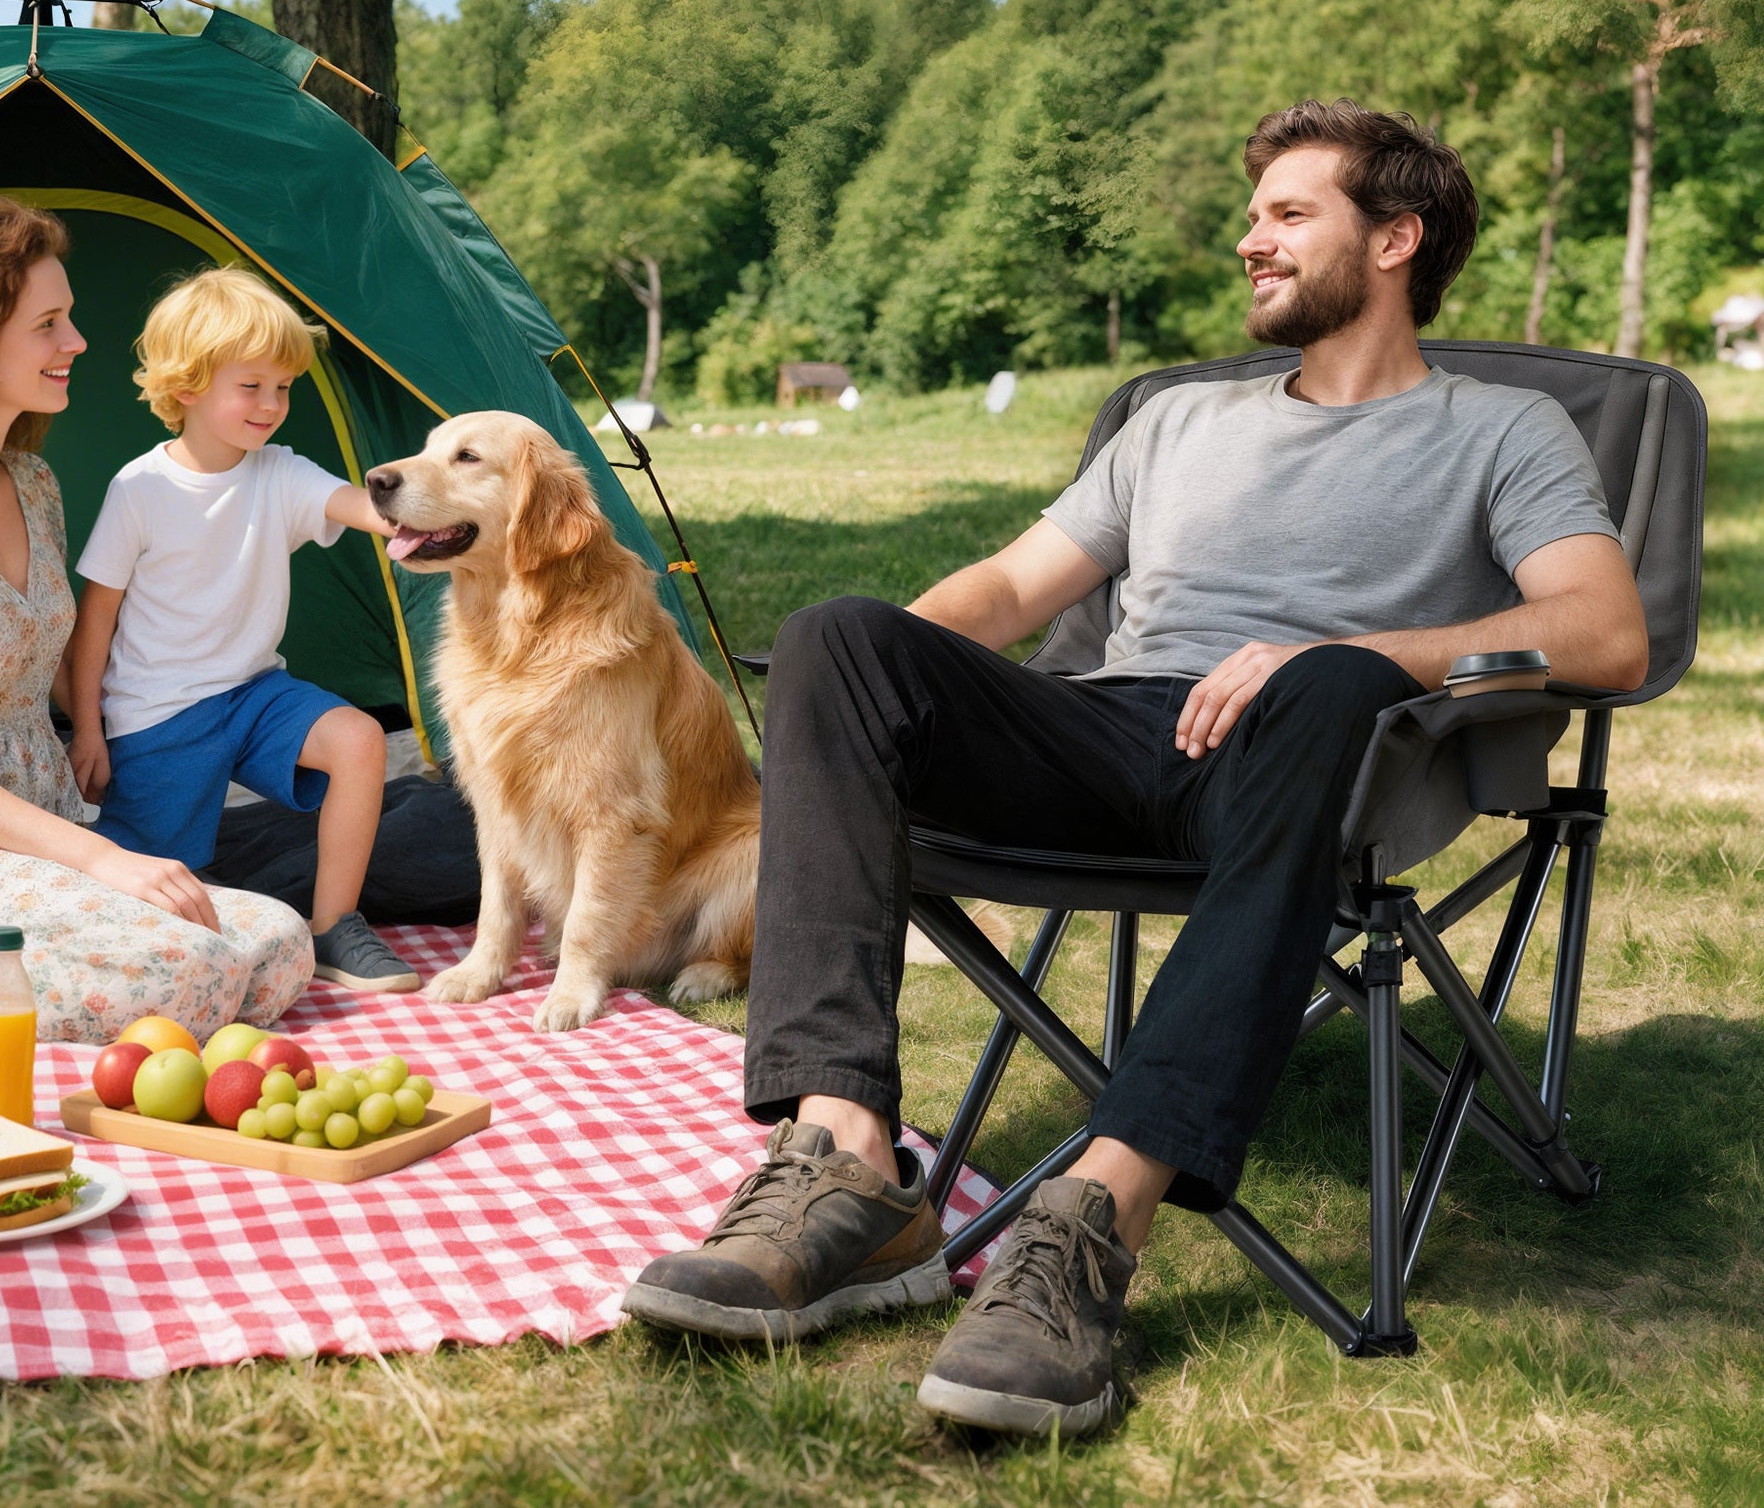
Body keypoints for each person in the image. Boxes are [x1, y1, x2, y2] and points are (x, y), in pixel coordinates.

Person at [625, 99, 1650, 1437]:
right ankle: (851, 1166)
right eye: (1253, 216)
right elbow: (1005, 591)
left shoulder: (1502, 430)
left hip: (1325, 756)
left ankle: (1094, 1222)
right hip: (1107, 731)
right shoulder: (1176, 422)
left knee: (1324, 680)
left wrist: (1345, 654)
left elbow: (1603, 632)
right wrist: (853, 701)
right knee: (839, 637)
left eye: (1289, 214)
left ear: (1396, 239)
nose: (1250, 241)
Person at [0, 200, 313, 1068]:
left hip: (35, 827)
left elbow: (75, 668)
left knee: (274, 939)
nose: (76, 341)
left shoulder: (32, 484)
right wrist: (104, 861)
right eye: (48, 323)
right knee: (178, 967)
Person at [68, 267, 418, 992]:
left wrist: (440, 512)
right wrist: (89, 729)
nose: (272, 404)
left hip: (254, 693)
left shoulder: (280, 474)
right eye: (251, 386)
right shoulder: (140, 489)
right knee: (157, 891)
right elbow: (94, 617)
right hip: (156, 715)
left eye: (283, 387)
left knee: (358, 739)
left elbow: (365, 508)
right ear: (188, 385)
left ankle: (334, 928)